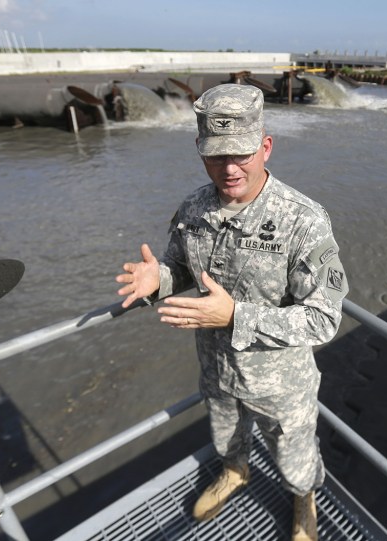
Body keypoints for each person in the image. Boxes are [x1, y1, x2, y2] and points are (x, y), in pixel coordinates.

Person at [115, 83, 348, 541]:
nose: (229, 168)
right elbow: (183, 268)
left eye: (241, 153)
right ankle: (235, 473)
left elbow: (324, 318)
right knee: (225, 436)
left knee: (294, 454)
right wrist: (157, 279)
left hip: (280, 384)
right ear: (200, 152)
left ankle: (305, 501)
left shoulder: (303, 220)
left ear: (265, 147)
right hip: (218, 371)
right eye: (216, 155)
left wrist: (236, 316)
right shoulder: (194, 208)